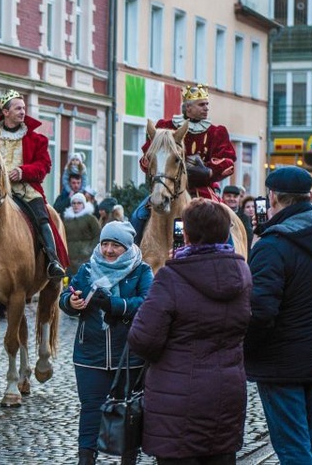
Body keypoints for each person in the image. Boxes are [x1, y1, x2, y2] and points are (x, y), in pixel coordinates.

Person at [127, 198, 252, 464]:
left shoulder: (171, 277)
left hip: (177, 398)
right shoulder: (242, 273)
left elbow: (142, 339)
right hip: (227, 393)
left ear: (186, 233)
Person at [244, 166, 312, 464]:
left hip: (280, 364)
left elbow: (260, 312)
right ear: (310, 196)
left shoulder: (272, 245)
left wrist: (247, 349)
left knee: (294, 448)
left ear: (272, 198)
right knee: (307, 444)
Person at [59, 221, 153, 465]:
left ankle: (128, 459)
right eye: (105, 244)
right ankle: (86, 459)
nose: (109, 250)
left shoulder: (141, 271)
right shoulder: (88, 269)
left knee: (129, 412)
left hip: (128, 355)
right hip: (90, 355)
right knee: (90, 410)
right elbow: (65, 298)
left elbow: (147, 304)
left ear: (127, 247)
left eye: (115, 245)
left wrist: (116, 305)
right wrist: (71, 302)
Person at [131, 84, 237, 242]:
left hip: (202, 189)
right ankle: (134, 254)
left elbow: (228, 162)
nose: (206, 108)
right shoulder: (165, 127)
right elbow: (146, 159)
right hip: (167, 185)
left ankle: (228, 254)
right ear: (188, 107)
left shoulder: (216, 132)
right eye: (202, 104)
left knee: (223, 221)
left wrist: (208, 172)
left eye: (207, 104)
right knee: (137, 216)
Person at [0, 89, 67, 278]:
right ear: (5, 112)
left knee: (43, 218)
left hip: (25, 190)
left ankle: (52, 260)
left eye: (23, 108)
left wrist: (23, 172)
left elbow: (44, 165)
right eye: (18, 108)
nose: (23, 112)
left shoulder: (37, 139)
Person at [61, 192, 100, 277]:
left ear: (84, 204)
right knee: (69, 284)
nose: (76, 205)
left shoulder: (90, 219)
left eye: (79, 203)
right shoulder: (66, 220)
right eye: (74, 203)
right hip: (69, 257)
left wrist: (90, 249)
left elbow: (98, 235)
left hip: (85, 257)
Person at [222, 185, 253, 253]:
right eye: (228, 196)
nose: (232, 199)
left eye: (235, 197)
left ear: (239, 198)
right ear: (223, 197)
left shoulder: (244, 217)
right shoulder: (219, 214)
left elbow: (248, 237)